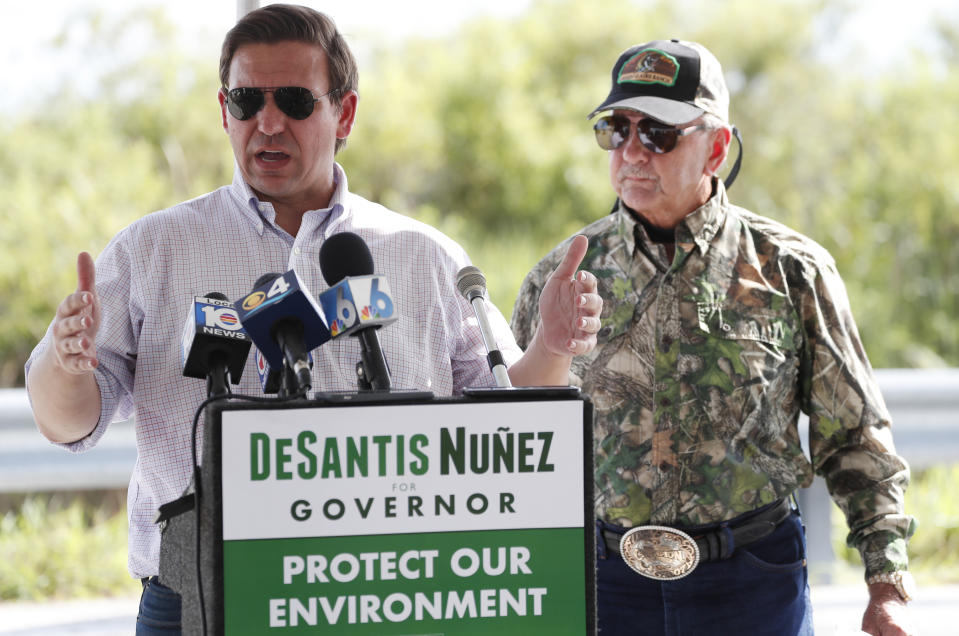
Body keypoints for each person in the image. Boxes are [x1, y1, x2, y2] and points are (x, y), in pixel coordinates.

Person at [24, 5, 602, 634]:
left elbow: (504, 415)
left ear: (343, 113)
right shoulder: (151, 250)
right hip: (195, 597)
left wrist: (552, 343)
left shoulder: (423, 256)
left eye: (296, 101)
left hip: (386, 594)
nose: (268, 122)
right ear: (224, 112)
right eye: (247, 101)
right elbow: (66, 423)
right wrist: (65, 359)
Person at [511, 39, 917, 636]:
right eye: (614, 130)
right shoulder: (563, 277)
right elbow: (513, 434)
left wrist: (887, 586)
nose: (630, 151)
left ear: (717, 148)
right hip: (602, 584)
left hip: (752, 584)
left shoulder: (791, 269)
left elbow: (854, 435)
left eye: (657, 133)